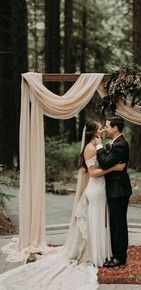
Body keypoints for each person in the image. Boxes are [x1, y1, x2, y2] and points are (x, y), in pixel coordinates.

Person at [0, 121, 125, 290]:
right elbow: (93, 172)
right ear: (94, 132)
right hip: (96, 189)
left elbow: (103, 160)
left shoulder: (98, 144)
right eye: (100, 128)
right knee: (94, 220)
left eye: (105, 127)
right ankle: (94, 255)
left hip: (102, 188)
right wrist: (114, 168)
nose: (103, 129)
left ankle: (103, 252)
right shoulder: (89, 147)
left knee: (100, 221)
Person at [95, 116, 132, 267]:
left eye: (107, 126)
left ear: (115, 128)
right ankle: (116, 252)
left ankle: (120, 257)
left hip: (119, 190)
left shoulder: (121, 145)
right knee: (115, 223)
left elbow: (104, 163)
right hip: (115, 188)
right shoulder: (114, 143)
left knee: (118, 224)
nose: (105, 129)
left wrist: (99, 146)